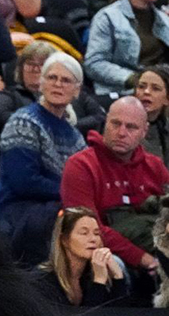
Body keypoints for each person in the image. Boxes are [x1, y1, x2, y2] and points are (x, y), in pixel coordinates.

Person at [0, 53, 87, 264]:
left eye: (66, 80)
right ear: (41, 83)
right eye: (52, 78)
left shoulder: (75, 136)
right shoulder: (24, 122)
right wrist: (72, 194)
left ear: (77, 90)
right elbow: (23, 182)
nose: (58, 84)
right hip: (17, 211)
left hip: (56, 208)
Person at [60, 97, 169, 278]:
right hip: (101, 253)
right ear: (105, 123)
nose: (121, 132)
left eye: (131, 127)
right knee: (110, 264)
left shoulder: (155, 166)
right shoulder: (80, 165)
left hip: (154, 248)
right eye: (115, 123)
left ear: (144, 131)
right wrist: (144, 259)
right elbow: (87, 230)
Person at [0, 42, 105, 162]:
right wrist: (42, 125)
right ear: (21, 68)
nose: (36, 70)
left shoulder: (74, 95)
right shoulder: (11, 95)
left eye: (42, 64)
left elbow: (99, 117)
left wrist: (67, 126)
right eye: (30, 64)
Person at [85, 0, 169, 97]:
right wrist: (133, 79)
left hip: (161, 93)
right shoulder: (107, 17)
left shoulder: (164, 20)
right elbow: (94, 63)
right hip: (123, 91)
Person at [36, 207, 128, 307]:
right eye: (84, 233)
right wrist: (98, 281)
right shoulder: (43, 281)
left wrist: (118, 277)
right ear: (64, 239)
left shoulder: (96, 274)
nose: (93, 239)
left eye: (96, 233)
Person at [134, 65, 169, 166]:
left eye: (155, 89)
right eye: (141, 86)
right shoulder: (122, 126)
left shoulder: (165, 128)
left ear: (167, 99)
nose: (146, 92)